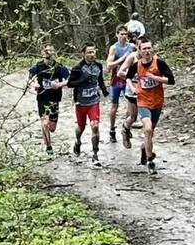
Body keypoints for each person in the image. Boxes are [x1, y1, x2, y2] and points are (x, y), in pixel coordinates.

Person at [119, 38, 175, 175]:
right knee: (148, 129)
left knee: (150, 132)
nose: (147, 51)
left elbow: (171, 80)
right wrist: (132, 88)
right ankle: (151, 161)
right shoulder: (136, 65)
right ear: (139, 51)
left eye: (149, 48)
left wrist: (155, 78)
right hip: (143, 101)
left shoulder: (159, 63)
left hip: (157, 101)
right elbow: (127, 76)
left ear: (152, 49)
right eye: (144, 48)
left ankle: (145, 149)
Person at [66, 44, 108, 166]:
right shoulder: (78, 68)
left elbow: (100, 80)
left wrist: (104, 90)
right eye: (89, 52)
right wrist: (82, 80)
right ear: (83, 54)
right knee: (81, 127)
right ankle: (78, 141)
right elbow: (70, 84)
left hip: (94, 101)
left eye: (93, 52)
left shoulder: (98, 66)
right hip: (81, 102)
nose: (92, 55)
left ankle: (95, 155)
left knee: (95, 126)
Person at [27, 44, 70, 157]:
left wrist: (60, 84)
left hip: (55, 99)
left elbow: (69, 79)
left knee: (52, 128)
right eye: (45, 50)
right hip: (42, 98)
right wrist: (34, 85)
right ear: (42, 53)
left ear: (54, 52)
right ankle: (48, 147)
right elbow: (28, 79)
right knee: (45, 123)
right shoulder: (37, 66)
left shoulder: (59, 67)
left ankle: (48, 135)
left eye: (50, 50)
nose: (47, 52)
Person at [105, 25, 135, 143]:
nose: (124, 36)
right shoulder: (114, 48)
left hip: (127, 79)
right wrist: (122, 58)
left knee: (130, 106)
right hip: (116, 80)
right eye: (121, 34)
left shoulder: (132, 47)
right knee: (114, 106)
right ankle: (112, 129)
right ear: (117, 34)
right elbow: (109, 66)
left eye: (125, 34)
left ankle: (126, 127)